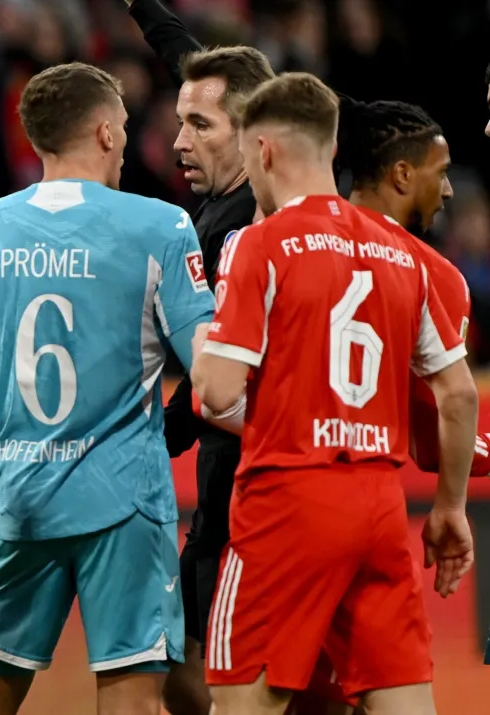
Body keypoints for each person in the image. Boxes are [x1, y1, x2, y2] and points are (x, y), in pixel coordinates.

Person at [0, 62, 215, 715]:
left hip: (21, 503)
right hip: (125, 504)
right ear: (105, 132)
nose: (125, 141)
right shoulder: (161, 227)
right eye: (123, 127)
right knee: (132, 701)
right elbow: (211, 374)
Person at [191, 72, 477, 715]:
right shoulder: (403, 255)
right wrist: (450, 509)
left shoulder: (260, 244)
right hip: (379, 505)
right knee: (403, 701)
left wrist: (204, 341)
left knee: (240, 704)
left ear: (262, 150)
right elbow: (458, 395)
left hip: (286, 501)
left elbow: (217, 390)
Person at [119, 4, 276, 708]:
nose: (178, 140)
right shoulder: (223, 206)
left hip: (248, 486)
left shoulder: (248, 231)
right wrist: (144, 8)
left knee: (220, 674)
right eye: (180, 121)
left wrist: (149, 440)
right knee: (182, 658)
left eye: (199, 126)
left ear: (254, 133)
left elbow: (225, 373)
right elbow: (199, 67)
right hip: (224, 480)